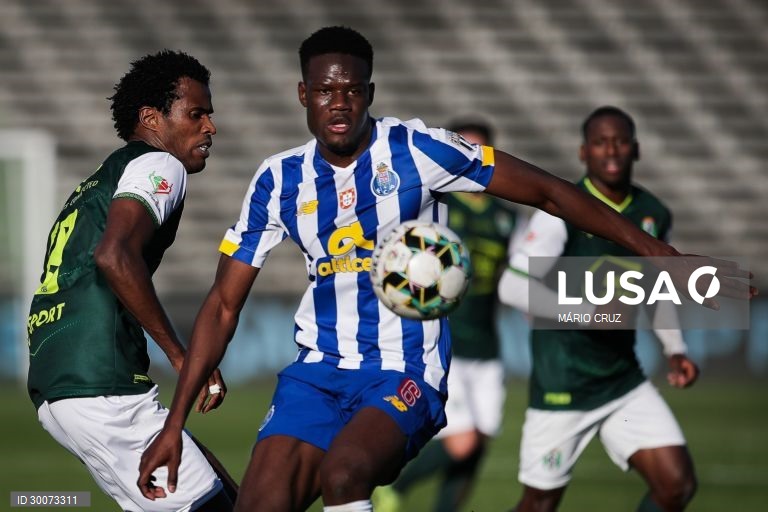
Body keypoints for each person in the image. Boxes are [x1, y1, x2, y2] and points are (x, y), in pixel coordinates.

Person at [137, 28, 754, 512]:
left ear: (370, 92)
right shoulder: (277, 180)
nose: (340, 103)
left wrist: (654, 254)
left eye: (353, 90)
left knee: (346, 472)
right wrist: (175, 423)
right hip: (315, 375)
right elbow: (222, 305)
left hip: (405, 370)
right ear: (304, 94)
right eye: (325, 90)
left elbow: (545, 190)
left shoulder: (416, 149)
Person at [26, 50, 237, 512]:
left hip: (65, 380)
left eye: (210, 114)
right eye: (196, 114)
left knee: (226, 495)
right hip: (101, 384)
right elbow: (114, 255)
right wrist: (183, 357)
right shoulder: (161, 165)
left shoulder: (102, 178)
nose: (210, 127)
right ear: (151, 118)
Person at [498, 106, 700, 512]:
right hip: (563, 384)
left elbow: (655, 288)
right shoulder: (560, 213)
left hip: (622, 380)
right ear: (582, 152)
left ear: (636, 149)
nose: (611, 150)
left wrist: (675, 349)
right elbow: (512, 286)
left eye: (621, 141)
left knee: (676, 484)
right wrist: (587, 309)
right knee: (539, 504)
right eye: (600, 142)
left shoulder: (653, 213)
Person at [375, 119, 523, 512]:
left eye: (478, 151)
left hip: (487, 345)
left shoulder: (506, 217)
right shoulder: (436, 205)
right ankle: (393, 488)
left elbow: (518, 277)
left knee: (478, 445)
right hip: (444, 341)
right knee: (463, 441)